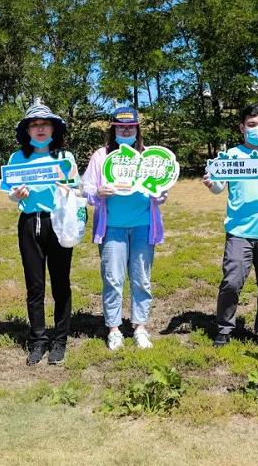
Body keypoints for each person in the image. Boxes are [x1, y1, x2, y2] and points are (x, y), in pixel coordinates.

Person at [203, 104, 258, 348]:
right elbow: (218, 188)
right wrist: (211, 183)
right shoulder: (230, 156)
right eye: (251, 125)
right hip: (239, 231)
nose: (257, 129)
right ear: (242, 127)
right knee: (231, 283)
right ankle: (224, 327)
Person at [0, 102, 80, 366]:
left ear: (54, 128)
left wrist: (68, 190)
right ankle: (37, 340)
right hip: (29, 223)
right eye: (34, 125)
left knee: (61, 283)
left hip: (58, 221)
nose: (40, 128)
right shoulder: (17, 158)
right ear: (27, 131)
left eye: (45, 124)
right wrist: (16, 195)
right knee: (34, 285)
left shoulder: (65, 157)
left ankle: (60, 340)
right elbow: (11, 192)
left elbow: (77, 189)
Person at [82, 107, 168, 351]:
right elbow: (86, 187)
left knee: (142, 279)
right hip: (112, 228)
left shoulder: (149, 157)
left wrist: (160, 194)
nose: (126, 130)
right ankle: (114, 329)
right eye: (121, 127)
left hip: (143, 227)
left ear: (137, 129)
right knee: (113, 279)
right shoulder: (101, 156)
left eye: (130, 127)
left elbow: (160, 191)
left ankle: (140, 327)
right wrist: (97, 192)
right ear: (113, 129)